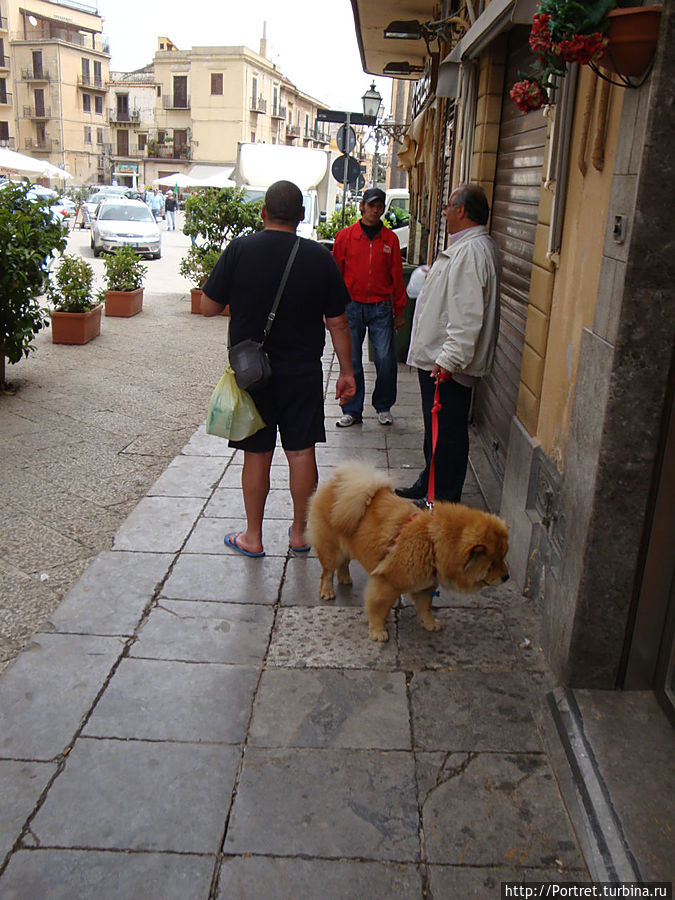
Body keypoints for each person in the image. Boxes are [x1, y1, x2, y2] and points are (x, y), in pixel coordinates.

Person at [201, 180, 356, 557]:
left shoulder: (240, 250)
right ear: (302, 216)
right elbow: (338, 322)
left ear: (262, 213)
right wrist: (347, 373)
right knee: (301, 452)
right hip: (302, 372)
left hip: (253, 374)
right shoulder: (320, 258)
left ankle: (253, 537)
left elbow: (207, 306)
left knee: (256, 453)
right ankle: (300, 533)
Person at [396, 184, 502, 504]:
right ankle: (430, 482)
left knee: (447, 435)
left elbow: (467, 316)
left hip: (448, 365)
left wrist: (449, 361)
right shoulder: (467, 248)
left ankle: (440, 497)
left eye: (447, 206)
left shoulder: (471, 251)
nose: (443, 212)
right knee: (437, 431)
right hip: (442, 361)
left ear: (461, 211)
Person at [332, 187, 406, 427]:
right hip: (351, 306)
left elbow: (397, 275)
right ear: (362, 206)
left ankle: (383, 406)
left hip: (381, 308)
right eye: (371, 205)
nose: (375, 210)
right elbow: (335, 275)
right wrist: (333, 308)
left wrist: (400, 310)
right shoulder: (345, 237)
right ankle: (352, 409)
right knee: (351, 360)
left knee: (385, 359)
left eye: (379, 206)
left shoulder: (390, 239)